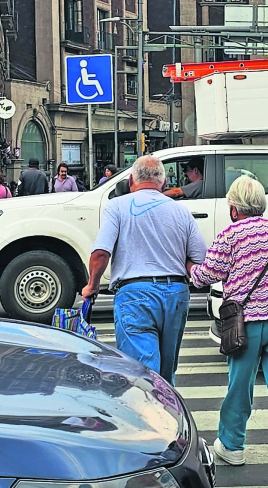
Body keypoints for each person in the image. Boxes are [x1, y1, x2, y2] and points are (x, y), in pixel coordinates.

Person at [187, 176, 268, 488]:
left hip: (249, 321)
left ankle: (232, 446)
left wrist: (191, 268)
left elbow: (206, 276)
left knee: (240, 386)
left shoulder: (230, 234)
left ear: (234, 208)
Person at [81, 155, 206, 384]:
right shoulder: (181, 212)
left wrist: (92, 285)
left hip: (135, 295)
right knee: (166, 375)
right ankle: (167, 416)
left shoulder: (117, 206)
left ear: (130, 181)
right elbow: (199, 259)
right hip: (176, 293)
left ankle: (149, 416)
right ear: (165, 183)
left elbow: (100, 253)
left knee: (142, 375)